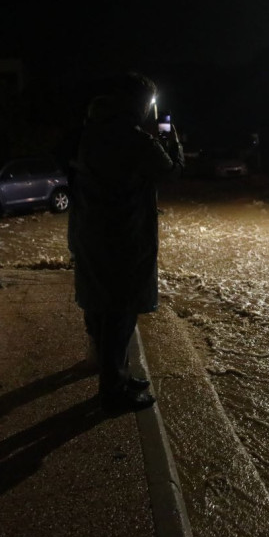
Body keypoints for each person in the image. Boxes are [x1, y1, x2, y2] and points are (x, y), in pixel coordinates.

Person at [68, 72, 184, 411]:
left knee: (103, 309)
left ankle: (116, 375)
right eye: (148, 103)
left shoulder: (90, 133)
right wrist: (173, 141)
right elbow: (171, 170)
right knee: (121, 311)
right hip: (123, 238)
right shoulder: (134, 139)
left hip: (90, 234)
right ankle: (113, 392)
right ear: (138, 104)